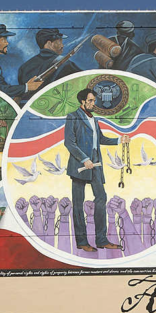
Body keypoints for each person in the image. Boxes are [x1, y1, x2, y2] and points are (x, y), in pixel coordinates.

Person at [64, 89, 130, 252]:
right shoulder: (73, 117)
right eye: (91, 101)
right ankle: (82, 241)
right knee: (78, 204)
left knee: (101, 197)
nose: (94, 103)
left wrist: (119, 140)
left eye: (94, 100)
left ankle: (101, 239)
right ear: (82, 102)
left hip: (96, 162)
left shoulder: (95, 119)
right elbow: (69, 143)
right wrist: (84, 159)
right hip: (79, 165)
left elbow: (100, 139)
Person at [17, 28, 83, 104]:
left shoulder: (24, 67)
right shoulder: (65, 63)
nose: (62, 45)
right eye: (59, 42)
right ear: (49, 44)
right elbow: (85, 80)